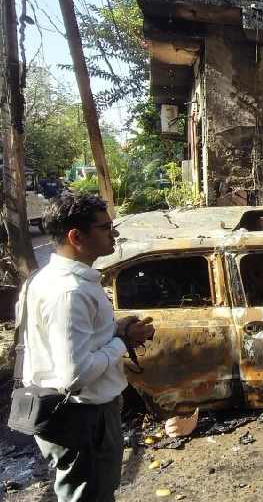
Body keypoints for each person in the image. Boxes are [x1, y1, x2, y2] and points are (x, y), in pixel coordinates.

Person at [19, 192, 155, 501]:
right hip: (83, 417)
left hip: (73, 414)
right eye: (105, 228)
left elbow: (66, 344)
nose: (113, 234)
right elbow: (75, 375)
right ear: (76, 237)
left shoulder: (46, 278)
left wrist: (115, 330)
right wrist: (123, 341)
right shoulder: (70, 292)